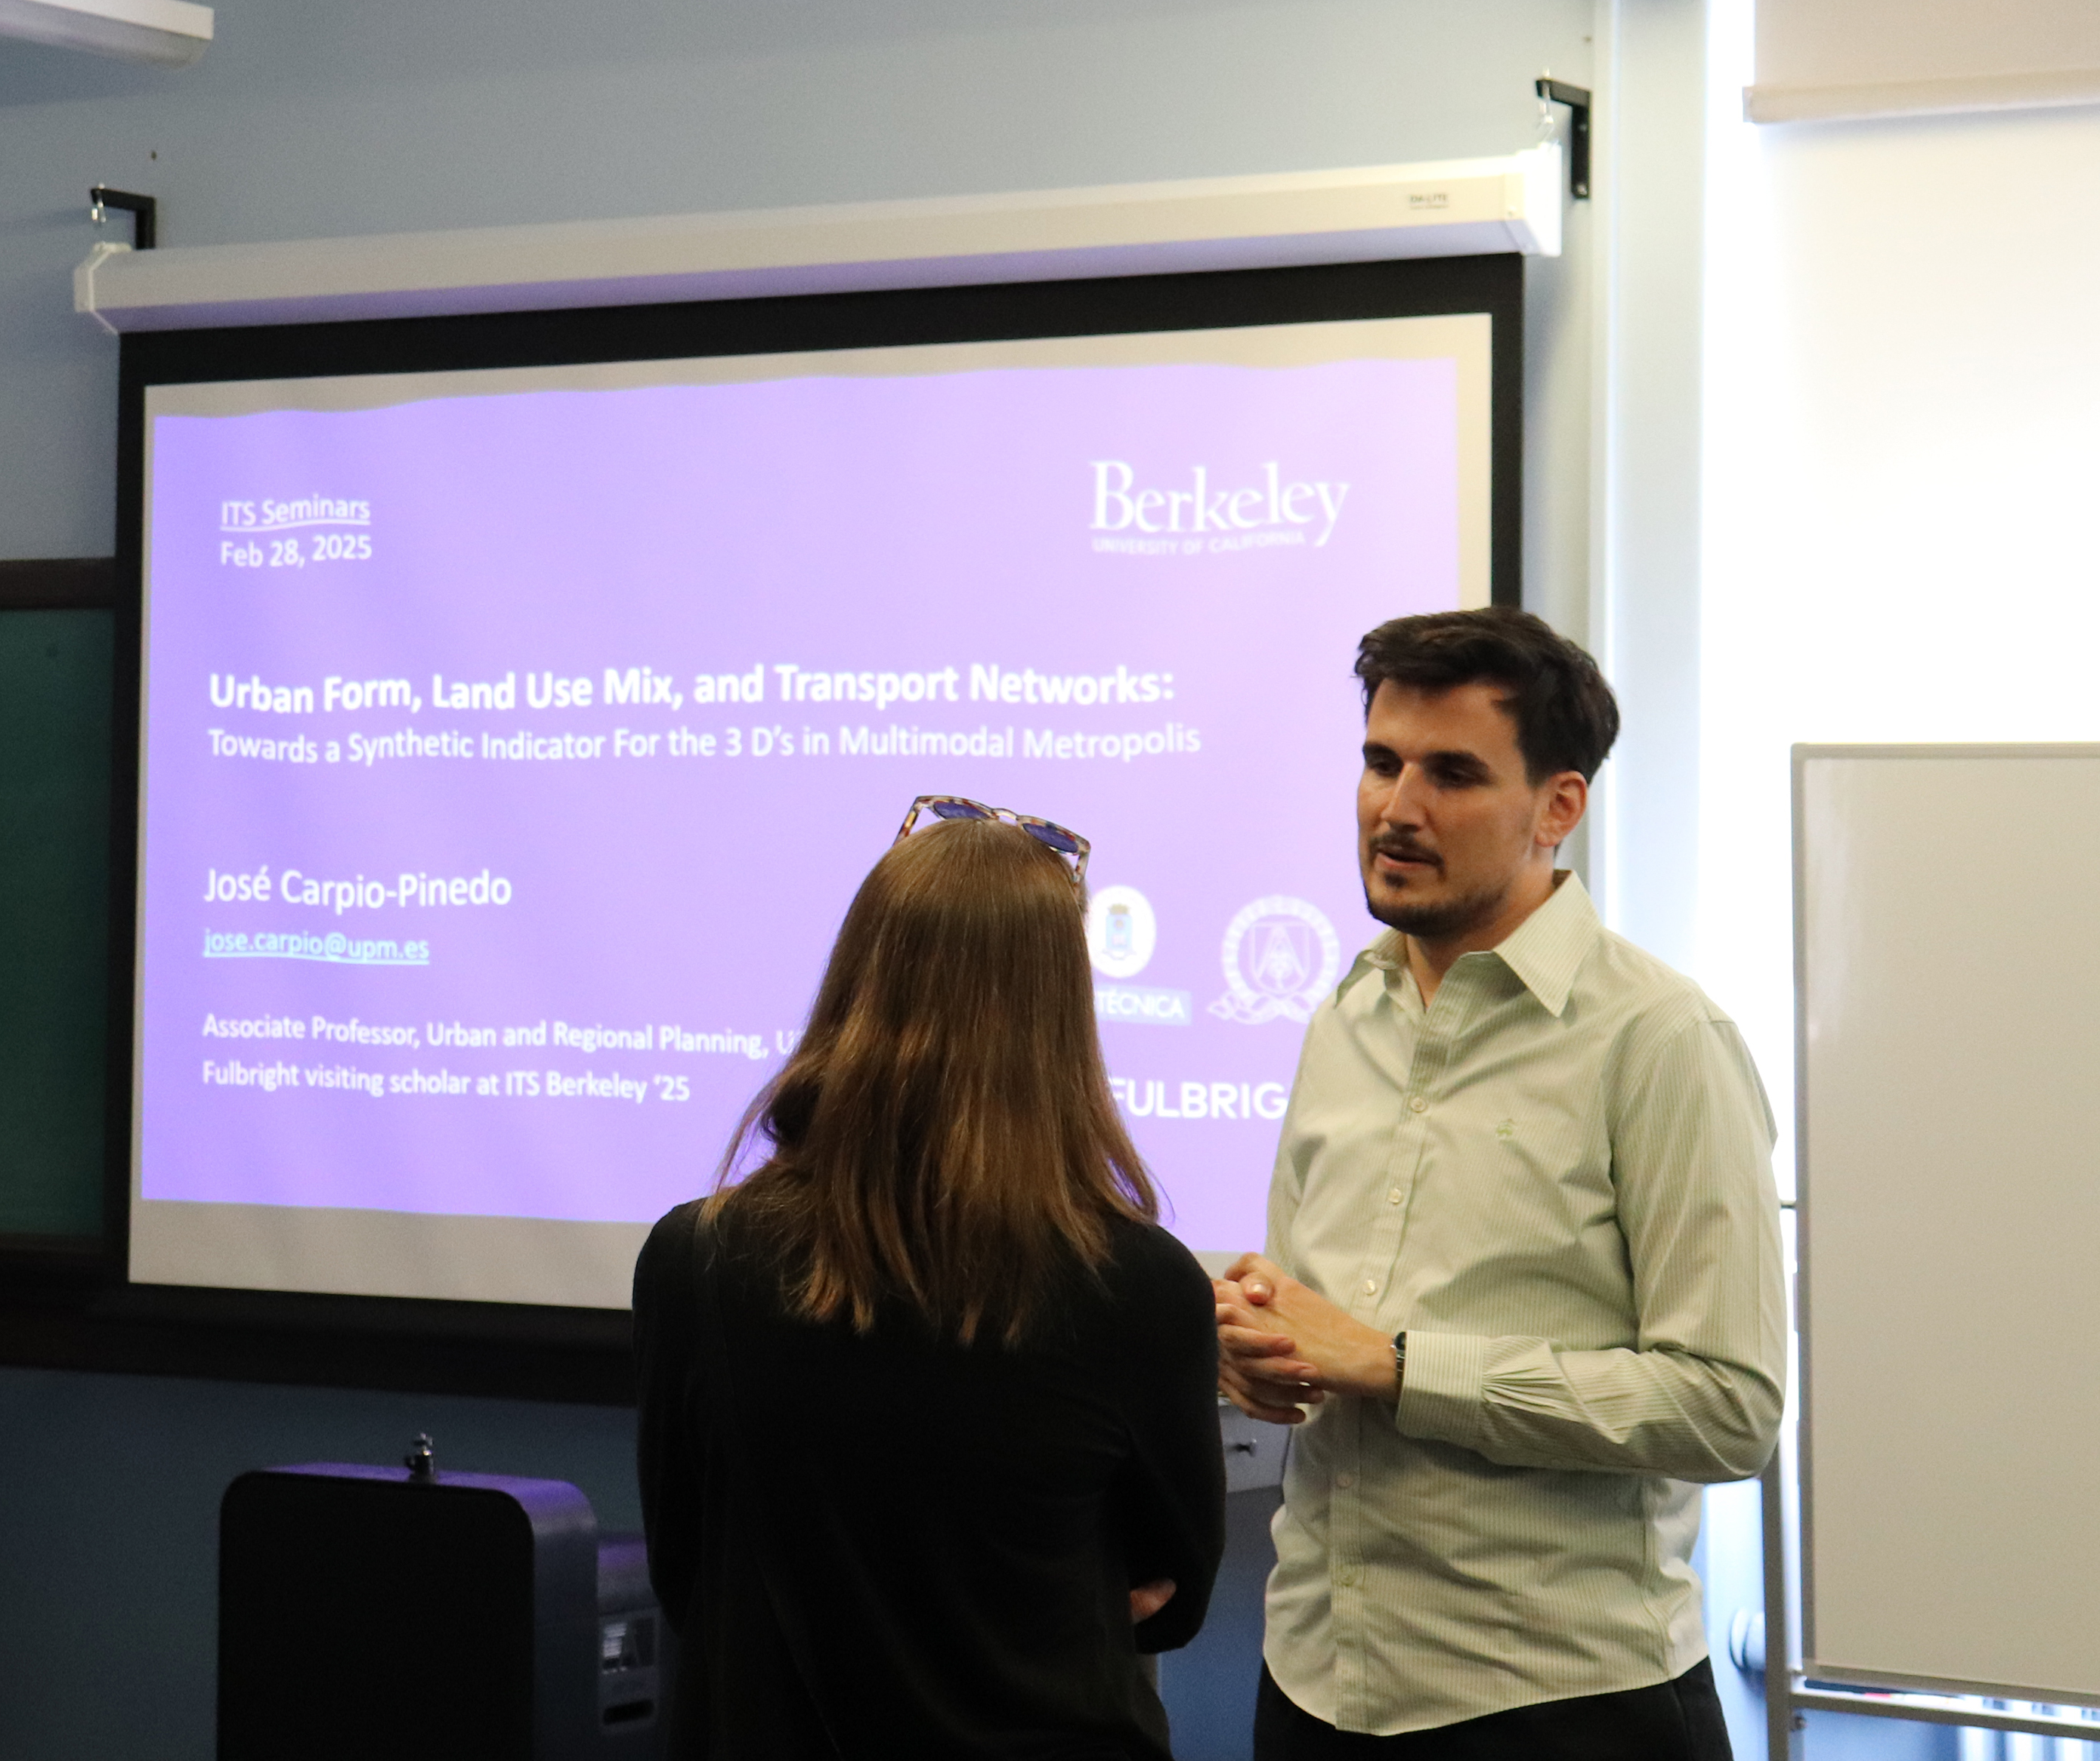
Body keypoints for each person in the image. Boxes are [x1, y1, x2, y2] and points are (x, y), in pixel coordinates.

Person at [1215, 610, 1783, 1757]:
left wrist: (1401, 1368)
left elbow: (1730, 1407)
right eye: (1382, 762)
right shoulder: (1347, 1011)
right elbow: (1315, 1316)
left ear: (1558, 807)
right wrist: (1258, 1348)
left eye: (1454, 775)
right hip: (1316, 1677)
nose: (1398, 807)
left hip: (1560, 1705)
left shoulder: (1661, 1039)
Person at [636, 800, 1224, 1760]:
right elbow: (1170, 1596)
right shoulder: (1141, 1285)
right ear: (1057, 1018)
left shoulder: (697, 1262)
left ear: (854, 982)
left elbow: (685, 1572)